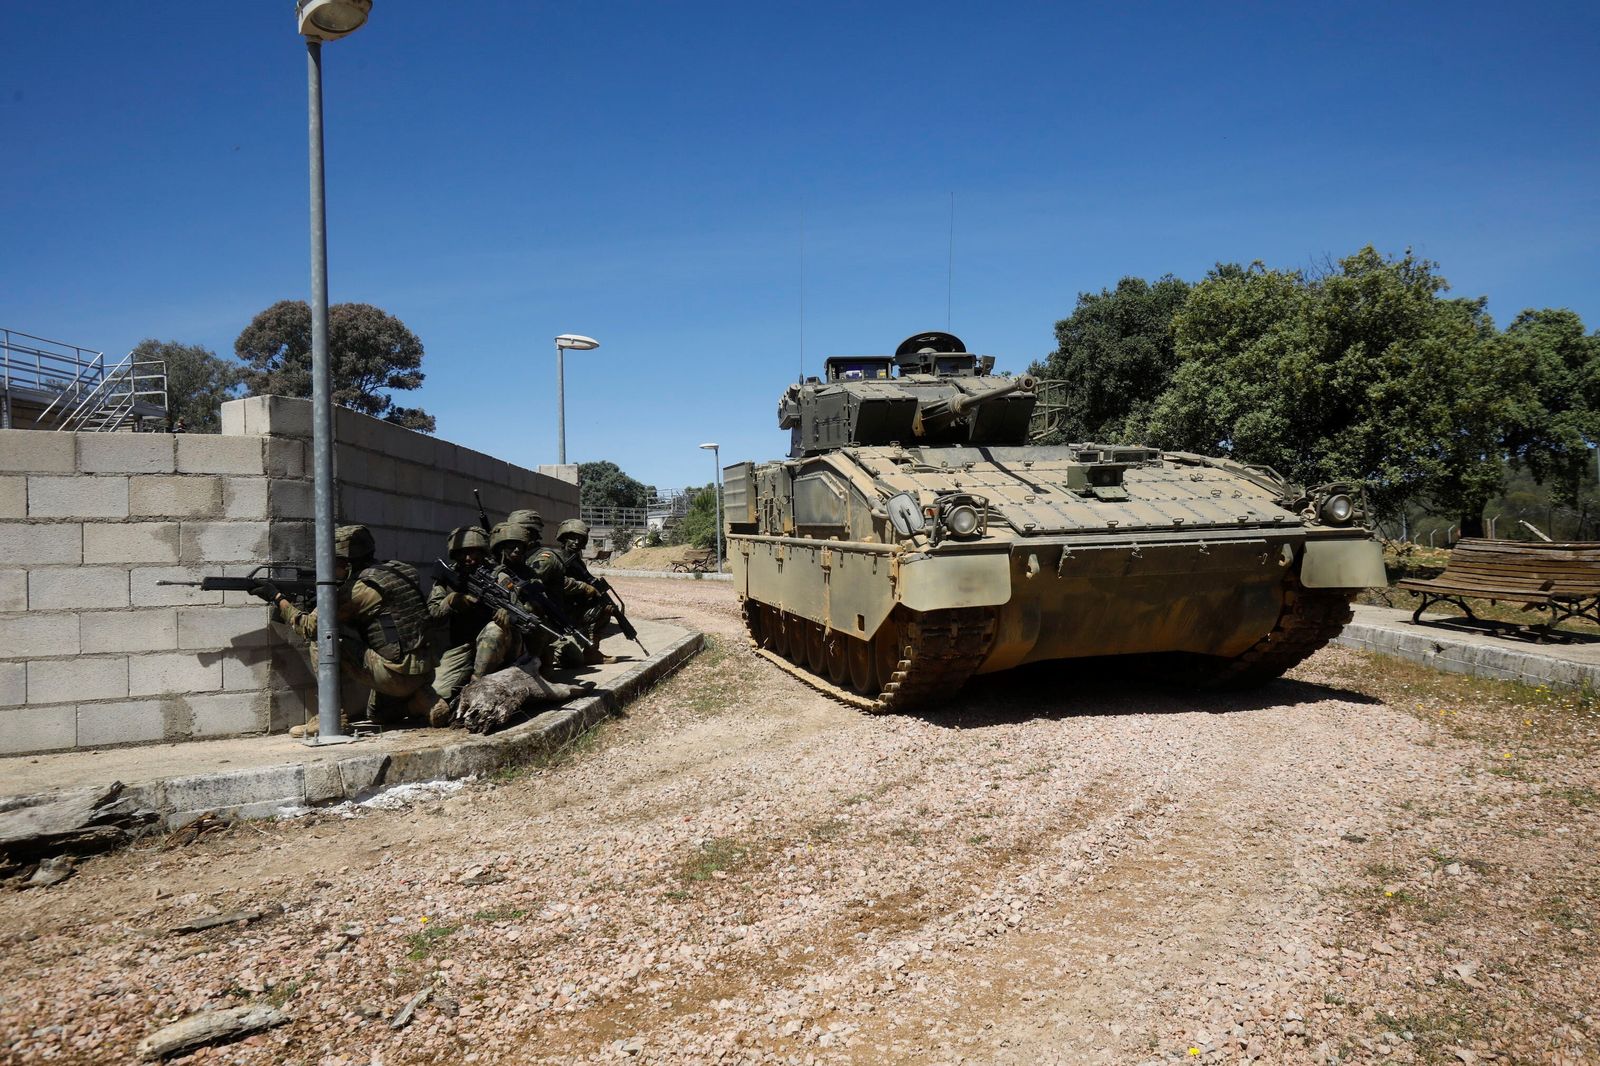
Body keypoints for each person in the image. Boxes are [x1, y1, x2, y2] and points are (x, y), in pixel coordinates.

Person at [255, 524, 444, 737]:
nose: (328, 569)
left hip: (396, 675)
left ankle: (331, 717)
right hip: (424, 671)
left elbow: (309, 627)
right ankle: (423, 701)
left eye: (332, 563)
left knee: (324, 639)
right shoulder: (402, 570)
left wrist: (278, 598)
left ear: (346, 564)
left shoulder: (357, 590)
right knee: (377, 714)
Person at [428, 525, 519, 718]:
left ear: (483, 552)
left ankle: (475, 689)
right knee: (438, 691)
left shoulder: (499, 576)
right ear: (454, 555)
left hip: (500, 646)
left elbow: (518, 609)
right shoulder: (448, 576)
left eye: (474, 553)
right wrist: (451, 601)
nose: (468, 558)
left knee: (494, 630)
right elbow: (432, 616)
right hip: (462, 644)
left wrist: (507, 615)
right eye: (462, 553)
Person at [552, 519, 618, 664]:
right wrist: (583, 587)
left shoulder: (576, 560)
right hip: (556, 613)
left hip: (572, 608)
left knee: (606, 608)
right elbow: (556, 583)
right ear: (564, 538)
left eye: (580, 539)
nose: (576, 542)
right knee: (570, 658)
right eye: (572, 538)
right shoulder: (554, 559)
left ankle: (592, 652)